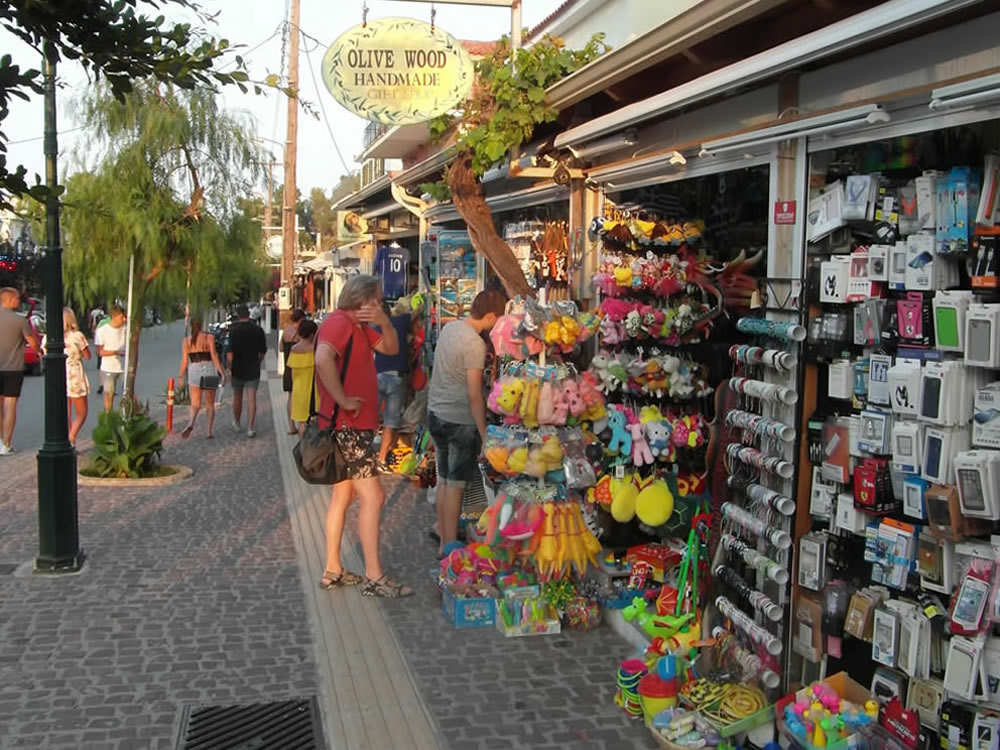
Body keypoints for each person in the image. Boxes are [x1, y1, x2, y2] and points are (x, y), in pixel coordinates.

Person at [313, 274, 412, 598]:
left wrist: (383, 321)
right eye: (377, 299)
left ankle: (333, 569)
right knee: (374, 497)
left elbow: (391, 348)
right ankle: (374, 576)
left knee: (343, 497)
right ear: (363, 299)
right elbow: (322, 358)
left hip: (351, 427)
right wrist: (342, 399)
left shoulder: (356, 327)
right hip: (348, 428)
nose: (381, 302)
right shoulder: (340, 323)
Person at [427, 289, 507, 555]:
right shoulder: (475, 344)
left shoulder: (451, 329)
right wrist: (484, 433)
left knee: (444, 480)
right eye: (497, 319)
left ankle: (442, 536)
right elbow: (474, 394)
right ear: (489, 316)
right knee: (455, 486)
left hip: (436, 414)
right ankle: (449, 546)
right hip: (458, 421)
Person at [0, 287, 40, 455]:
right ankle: (6, 444)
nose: (18, 301)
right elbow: (34, 343)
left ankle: (0, 439)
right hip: (13, 368)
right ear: (8, 300)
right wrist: (38, 348)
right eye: (17, 299)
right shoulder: (20, 321)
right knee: (10, 405)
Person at [374, 301, 411, 472]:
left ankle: (364, 456)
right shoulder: (400, 321)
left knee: (372, 419)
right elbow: (417, 311)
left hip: (377, 375)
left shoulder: (373, 329)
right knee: (391, 421)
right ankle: (381, 459)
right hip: (396, 378)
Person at [178, 318, 225, 439]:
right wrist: (222, 372)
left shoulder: (186, 341)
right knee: (210, 404)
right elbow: (214, 356)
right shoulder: (209, 338)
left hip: (194, 370)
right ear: (201, 325)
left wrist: (180, 376)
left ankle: (190, 423)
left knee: (195, 404)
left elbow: (184, 361)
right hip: (208, 369)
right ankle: (209, 432)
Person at [227, 304, 267, 437]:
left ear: (238, 315)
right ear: (248, 314)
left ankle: (237, 422)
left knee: (237, 397)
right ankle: (250, 427)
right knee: (252, 399)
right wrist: (258, 361)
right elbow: (262, 351)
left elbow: (230, 353)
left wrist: (229, 367)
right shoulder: (258, 330)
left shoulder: (233, 331)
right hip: (253, 367)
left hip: (237, 367)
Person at [61, 308, 92, 447]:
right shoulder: (77, 336)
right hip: (74, 373)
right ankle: (71, 436)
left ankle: (67, 438)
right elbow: (87, 355)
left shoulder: (49, 336)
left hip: (59, 373)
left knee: (65, 410)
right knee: (82, 411)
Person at [287, 318, 318, 436]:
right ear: (312, 334)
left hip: (299, 389)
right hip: (314, 390)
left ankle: (303, 448)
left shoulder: (294, 349)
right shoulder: (316, 349)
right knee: (316, 421)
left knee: (302, 422)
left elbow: (290, 370)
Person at [95, 306, 127, 411]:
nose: (124, 320)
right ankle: (108, 419)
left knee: (128, 393)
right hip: (109, 368)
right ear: (115, 317)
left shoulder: (126, 330)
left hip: (124, 367)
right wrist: (115, 352)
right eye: (122, 317)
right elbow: (99, 351)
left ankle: (129, 417)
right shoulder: (102, 331)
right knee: (109, 395)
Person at [281, 308, 306, 435]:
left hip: (288, 367)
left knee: (290, 397)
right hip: (300, 367)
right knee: (301, 395)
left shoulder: (285, 332)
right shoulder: (302, 333)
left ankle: (291, 426)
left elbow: (280, 348)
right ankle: (302, 423)